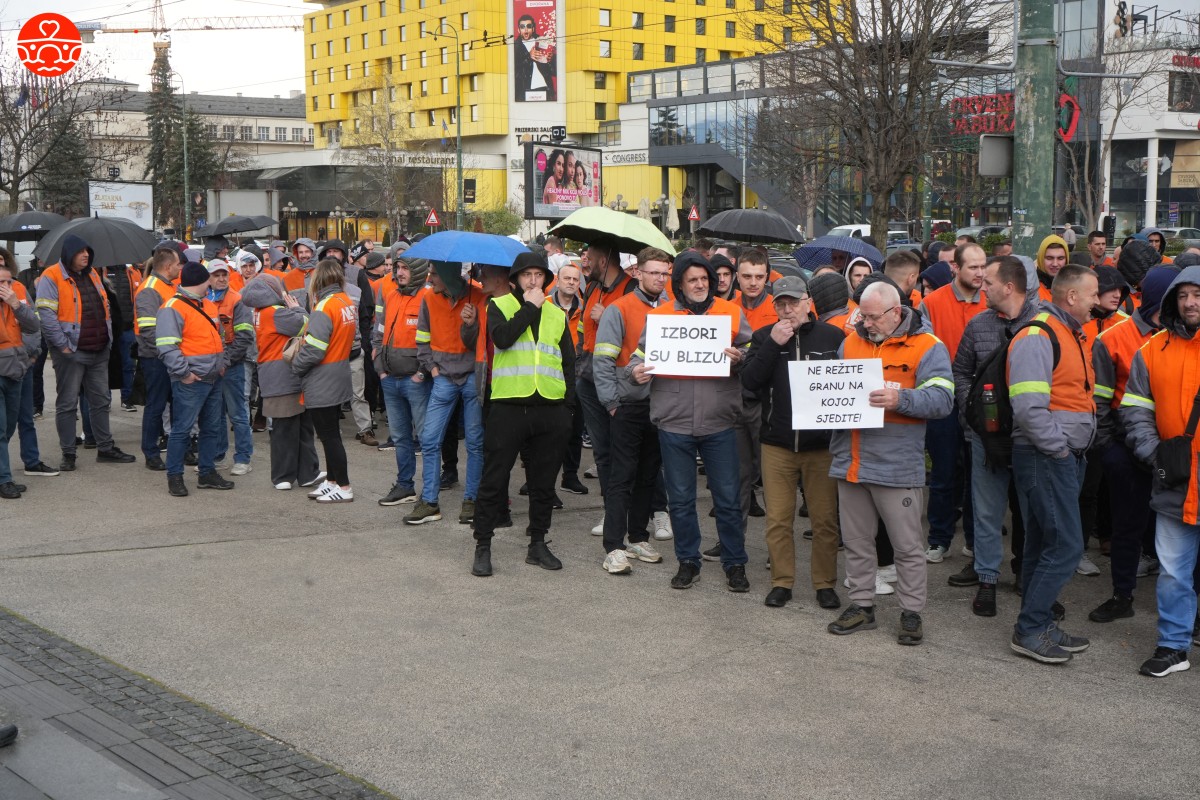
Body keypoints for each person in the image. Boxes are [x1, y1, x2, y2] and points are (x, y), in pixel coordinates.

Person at [826, 282, 953, 645]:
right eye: (862, 316)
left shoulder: (928, 346)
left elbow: (943, 400)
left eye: (872, 316)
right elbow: (833, 388)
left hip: (896, 467)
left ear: (896, 312)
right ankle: (862, 606)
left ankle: (911, 613)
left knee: (908, 546)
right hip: (851, 461)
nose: (865, 323)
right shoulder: (851, 341)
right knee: (856, 541)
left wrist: (901, 399)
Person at [630, 252, 752, 592]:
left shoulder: (730, 312)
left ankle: (735, 564)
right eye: (692, 280)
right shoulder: (661, 317)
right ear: (679, 284)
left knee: (727, 499)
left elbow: (752, 351)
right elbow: (637, 357)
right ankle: (688, 561)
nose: (700, 285)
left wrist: (741, 358)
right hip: (674, 423)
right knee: (681, 499)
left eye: (704, 279)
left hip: (720, 422)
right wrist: (634, 371)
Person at [1007, 264, 1098, 664]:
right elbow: (1028, 407)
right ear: (1072, 296)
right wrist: (1059, 449)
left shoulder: (1066, 332)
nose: (1098, 300)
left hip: (1057, 456)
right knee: (1065, 545)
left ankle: (1038, 622)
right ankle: (1029, 628)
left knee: (1044, 542)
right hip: (1046, 456)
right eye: (1093, 293)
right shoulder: (1039, 334)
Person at [740, 275, 845, 608]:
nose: (787, 310)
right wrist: (772, 343)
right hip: (777, 444)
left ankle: (824, 583)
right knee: (778, 519)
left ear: (808, 303)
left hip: (821, 447)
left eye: (793, 302)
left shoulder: (833, 336)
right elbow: (750, 384)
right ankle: (782, 582)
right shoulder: (762, 337)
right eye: (780, 304)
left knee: (825, 520)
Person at [470, 253, 575, 577]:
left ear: (546, 279)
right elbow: (502, 339)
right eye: (527, 275)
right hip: (508, 406)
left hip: (549, 409)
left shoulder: (557, 315)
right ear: (514, 280)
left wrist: (567, 407)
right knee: (494, 480)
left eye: (538, 275)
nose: (533, 281)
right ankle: (483, 545)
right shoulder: (499, 306)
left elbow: (568, 361)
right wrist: (529, 306)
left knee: (543, 484)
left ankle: (538, 543)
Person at [1122, 264, 1200, 677]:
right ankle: (1173, 646)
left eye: (1197, 294)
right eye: (1183, 295)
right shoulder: (1152, 349)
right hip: (1175, 480)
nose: (1190, 302)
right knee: (1172, 571)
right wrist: (1154, 454)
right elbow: (1135, 408)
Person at [954, 255, 1042, 616]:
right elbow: (960, 371)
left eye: (988, 281)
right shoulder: (978, 325)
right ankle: (987, 578)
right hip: (985, 438)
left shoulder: (1044, 323)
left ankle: (1027, 575)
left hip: (1029, 439)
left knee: (1030, 512)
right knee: (987, 512)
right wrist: (970, 410)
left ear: (1008, 286)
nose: (981, 285)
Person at [1089, 267, 1175, 624]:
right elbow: (1098, 403)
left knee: (1173, 528)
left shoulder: (1180, 337)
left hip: (1174, 451)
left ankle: (1182, 604)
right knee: (1127, 526)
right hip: (1126, 450)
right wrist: (1111, 450)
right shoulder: (1112, 338)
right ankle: (1121, 595)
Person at [593, 248, 672, 575]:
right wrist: (612, 403)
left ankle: (638, 537)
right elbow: (603, 362)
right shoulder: (619, 309)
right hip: (627, 407)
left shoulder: (673, 310)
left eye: (664, 273)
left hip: (661, 407)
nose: (660, 278)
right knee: (622, 477)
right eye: (653, 272)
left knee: (648, 476)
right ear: (637, 272)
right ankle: (613, 546)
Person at [36, 234, 136, 470]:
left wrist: (108, 339)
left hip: (99, 349)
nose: (86, 255)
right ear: (69, 253)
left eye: (87, 251)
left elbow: (105, 306)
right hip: (71, 352)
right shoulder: (51, 276)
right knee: (68, 404)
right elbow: (47, 316)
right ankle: (68, 454)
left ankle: (105, 447)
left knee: (100, 401)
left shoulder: (92, 274)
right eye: (81, 251)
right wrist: (62, 345)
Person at [920, 242, 988, 570]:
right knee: (945, 472)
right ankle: (939, 539)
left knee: (980, 474)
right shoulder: (931, 304)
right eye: (973, 267)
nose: (980, 273)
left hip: (983, 401)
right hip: (944, 401)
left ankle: (976, 541)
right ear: (955, 269)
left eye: (983, 266)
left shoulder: (993, 301)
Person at [405, 264, 486, 525]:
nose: (429, 279)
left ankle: (472, 501)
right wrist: (433, 368)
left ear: (450, 276)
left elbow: (485, 341)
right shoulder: (429, 298)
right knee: (429, 439)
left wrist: (471, 324)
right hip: (444, 378)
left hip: (473, 375)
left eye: (435, 274)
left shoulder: (479, 296)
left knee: (474, 441)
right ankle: (429, 502)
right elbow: (422, 339)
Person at [155, 262, 234, 497]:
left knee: (211, 428)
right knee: (183, 429)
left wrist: (222, 364)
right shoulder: (173, 308)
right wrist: (185, 374)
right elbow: (166, 347)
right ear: (201, 282)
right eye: (208, 280)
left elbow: (220, 337)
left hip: (210, 377)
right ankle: (175, 476)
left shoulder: (206, 304)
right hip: (192, 379)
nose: (211, 283)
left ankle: (207, 472)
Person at [576, 242, 636, 534]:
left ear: (605, 258)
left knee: (625, 450)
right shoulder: (591, 288)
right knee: (601, 452)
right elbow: (581, 330)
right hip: (588, 377)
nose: (586, 262)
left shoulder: (630, 288)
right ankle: (611, 511)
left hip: (618, 380)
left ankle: (647, 510)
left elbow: (641, 333)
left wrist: (610, 316)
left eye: (591, 256)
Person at [243, 274, 323, 491]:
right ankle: (286, 475)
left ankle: (304, 473)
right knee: (290, 428)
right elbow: (306, 324)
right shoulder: (276, 313)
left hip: (274, 376)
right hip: (284, 376)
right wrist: (297, 308)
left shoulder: (260, 312)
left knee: (292, 427)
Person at [291, 260, 357, 504]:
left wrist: (295, 367)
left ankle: (344, 485)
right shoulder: (345, 301)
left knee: (329, 435)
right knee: (330, 434)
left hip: (322, 377)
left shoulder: (323, 306)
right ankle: (332, 481)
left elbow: (314, 350)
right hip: (338, 372)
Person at [372, 250, 431, 506]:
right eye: (397, 267)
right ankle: (405, 486)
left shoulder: (428, 298)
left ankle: (429, 493)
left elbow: (434, 341)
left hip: (415, 381)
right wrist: (381, 370)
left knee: (427, 440)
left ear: (417, 270)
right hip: (390, 379)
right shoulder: (391, 295)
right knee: (400, 438)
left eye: (405, 268)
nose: (399, 272)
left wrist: (421, 373)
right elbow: (379, 332)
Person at [134, 247, 185, 471]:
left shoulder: (168, 286)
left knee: (176, 404)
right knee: (156, 405)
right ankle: (151, 452)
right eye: (177, 265)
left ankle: (177, 450)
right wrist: (168, 352)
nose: (179, 268)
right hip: (156, 358)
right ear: (167, 267)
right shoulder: (149, 289)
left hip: (170, 355)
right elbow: (148, 329)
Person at [205, 259, 255, 475]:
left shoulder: (237, 300)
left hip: (232, 364)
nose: (221, 278)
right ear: (208, 278)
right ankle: (217, 455)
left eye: (224, 274)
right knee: (214, 413)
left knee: (237, 413)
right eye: (216, 275)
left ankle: (243, 458)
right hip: (209, 364)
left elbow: (244, 337)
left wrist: (226, 362)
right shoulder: (203, 299)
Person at [0, 258, 40, 499]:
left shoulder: (15, 300)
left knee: (10, 425)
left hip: (15, 371)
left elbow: (34, 326)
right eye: (1, 282)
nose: (6, 286)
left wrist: (16, 304)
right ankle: (4, 479)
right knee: (0, 429)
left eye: (8, 281)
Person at [548, 264, 589, 496]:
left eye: (575, 279)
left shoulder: (584, 308)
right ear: (557, 280)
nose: (572, 282)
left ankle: (570, 476)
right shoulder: (543, 304)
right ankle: (543, 481)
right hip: (550, 375)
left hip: (577, 375)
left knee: (574, 429)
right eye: (567, 278)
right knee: (550, 433)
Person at [514, 14, 556, 102]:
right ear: (519, 30)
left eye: (529, 26)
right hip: (524, 90)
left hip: (544, 87)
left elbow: (554, 72)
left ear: (533, 28)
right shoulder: (515, 47)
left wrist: (551, 59)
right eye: (522, 27)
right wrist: (529, 56)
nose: (525, 29)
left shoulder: (543, 41)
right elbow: (515, 71)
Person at [1033, 234, 1069, 302]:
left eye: (1060, 258)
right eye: (1049, 258)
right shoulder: (1031, 290)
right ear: (1040, 259)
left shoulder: (1074, 288)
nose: (1055, 264)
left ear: (1066, 260)